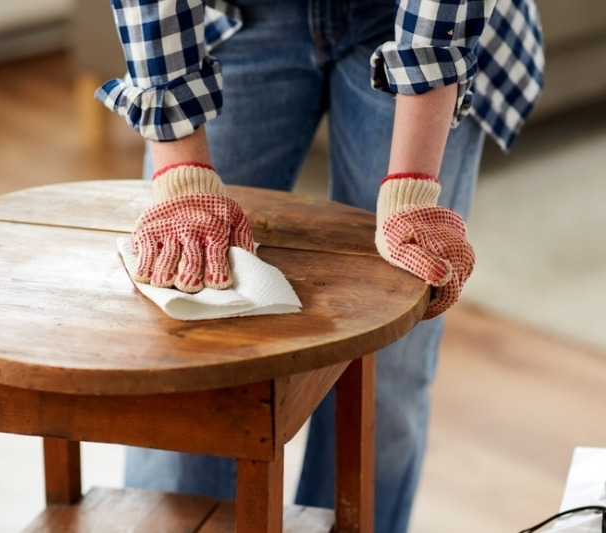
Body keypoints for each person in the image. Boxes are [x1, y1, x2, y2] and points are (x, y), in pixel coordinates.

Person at [97, 1, 544, 532]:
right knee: (188, 334)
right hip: (231, 15)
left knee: (388, 359)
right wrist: (182, 174)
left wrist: (413, 184)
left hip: (423, 22)